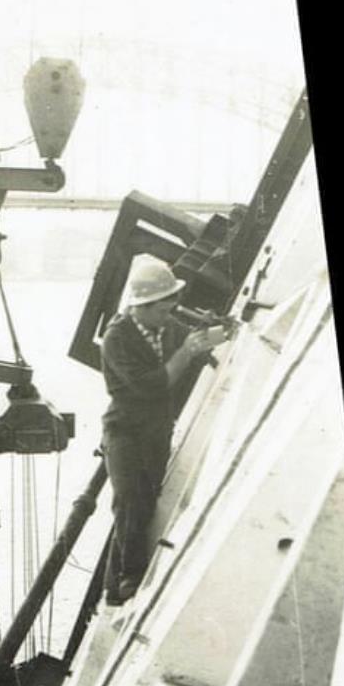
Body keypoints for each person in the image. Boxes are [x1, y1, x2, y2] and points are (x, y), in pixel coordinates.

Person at [100, 256, 223, 606]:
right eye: (160, 310)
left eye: (170, 307)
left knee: (143, 503)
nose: (167, 316)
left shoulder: (167, 327)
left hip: (156, 431)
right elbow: (151, 386)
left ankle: (114, 589)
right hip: (123, 431)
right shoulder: (117, 338)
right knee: (127, 497)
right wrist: (186, 352)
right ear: (140, 307)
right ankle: (129, 576)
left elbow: (199, 342)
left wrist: (218, 333)